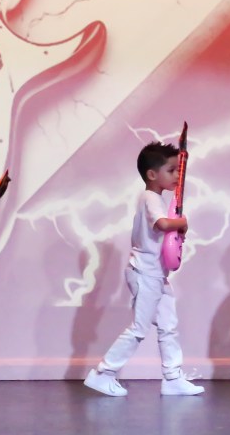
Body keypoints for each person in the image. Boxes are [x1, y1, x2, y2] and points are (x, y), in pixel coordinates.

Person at [83, 141, 204, 397]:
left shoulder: (154, 198)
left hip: (156, 274)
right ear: (152, 174)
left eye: (178, 170)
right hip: (145, 273)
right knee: (139, 328)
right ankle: (103, 374)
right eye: (171, 170)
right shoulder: (151, 198)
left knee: (168, 325)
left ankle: (172, 377)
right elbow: (162, 224)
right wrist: (182, 222)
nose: (177, 175)